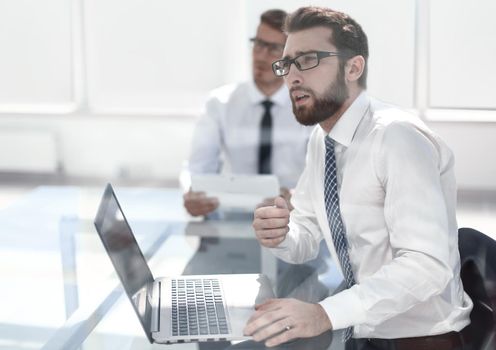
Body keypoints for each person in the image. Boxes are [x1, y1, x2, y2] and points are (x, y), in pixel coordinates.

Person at [245, 6, 474, 350]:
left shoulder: (396, 138)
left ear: (353, 67)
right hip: (361, 327)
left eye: (307, 60)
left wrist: (323, 314)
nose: (291, 76)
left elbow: (428, 266)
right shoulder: (323, 139)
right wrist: (281, 234)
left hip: (419, 337)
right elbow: (306, 230)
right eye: (287, 63)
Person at [183, 9, 311, 217]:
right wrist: (192, 194)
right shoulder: (220, 103)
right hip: (232, 217)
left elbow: (323, 178)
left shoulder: (309, 106)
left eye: (273, 49)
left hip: (292, 220)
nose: (261, 56)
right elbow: (198, 169)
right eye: (258, 44)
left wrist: (300, 198)